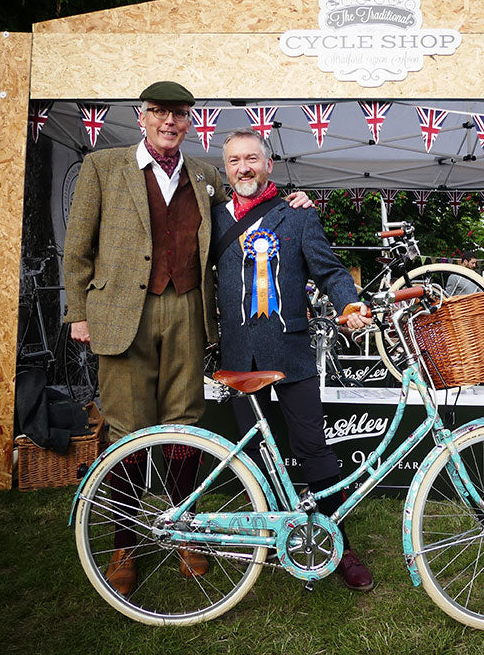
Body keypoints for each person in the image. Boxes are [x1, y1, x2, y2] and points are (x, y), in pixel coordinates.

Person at [62, 82, 310, 596]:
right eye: (159, 113)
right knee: (127, 435)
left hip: (188, 314)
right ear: (142, 116)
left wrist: (293, 201)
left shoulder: (205, 174)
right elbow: (77, 247)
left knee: (185, 429)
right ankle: (123, 544)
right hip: (120, 315)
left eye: (178, 114)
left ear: (189, 121)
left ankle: (186, 534)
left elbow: (251, 204)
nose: (169, 122)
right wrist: (78, 313)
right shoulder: (103, 168)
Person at [213, 128, 375, 592]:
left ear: (268, 164)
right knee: (252, 457)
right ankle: (269, 539)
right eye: (234, 161)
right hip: (240, 359)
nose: (243, 168)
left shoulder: (297, 215)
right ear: (226, 169)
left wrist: (348, 304)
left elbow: (329, 269)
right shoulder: (213, 220)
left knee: (314, 451)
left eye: (251, 159)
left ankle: (339, 544)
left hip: (291, 355)